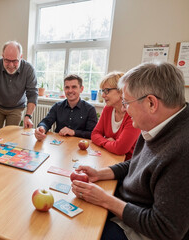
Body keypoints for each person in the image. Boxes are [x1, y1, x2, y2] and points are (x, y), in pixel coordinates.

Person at [71, 62, 189, 240]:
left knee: (80, 231)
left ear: (151, 103)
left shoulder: (183, 149)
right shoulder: (153, 123)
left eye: (126, 102)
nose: (124, 108)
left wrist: (106, 200)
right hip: (127, 205)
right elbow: (137, 163)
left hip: (142, 229)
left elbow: (165, 228)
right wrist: (101, 173)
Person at [0, 40, 38, 128]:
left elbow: (32, 94)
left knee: (11, 136)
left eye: (15, 61)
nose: (11, 65)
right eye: (7, 61)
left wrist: (28, 116)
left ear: (21, 57)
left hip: (16, 108)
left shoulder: (29, 69)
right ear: (2, 56)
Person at [91, 72, 141, 160]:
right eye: (102, 91)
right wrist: (108, 142)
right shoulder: (108, 109)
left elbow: (120, 149)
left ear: (121, 90)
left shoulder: (132, 114)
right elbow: (95, 134)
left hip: (127, 165)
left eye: (107, 91)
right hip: (108, 157)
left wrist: (103, 142)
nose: (103, 95)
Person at [34, 74, 97, 141]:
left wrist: (74, 132)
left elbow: (93, 134)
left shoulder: (90, 109)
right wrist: (42, 128)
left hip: (79, 147)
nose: (70, 91)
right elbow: (46, 122)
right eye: (67, 87)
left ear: (81, 89)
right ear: (64, 89)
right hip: (59, 145)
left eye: (74, 87)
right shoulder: (57, 106)